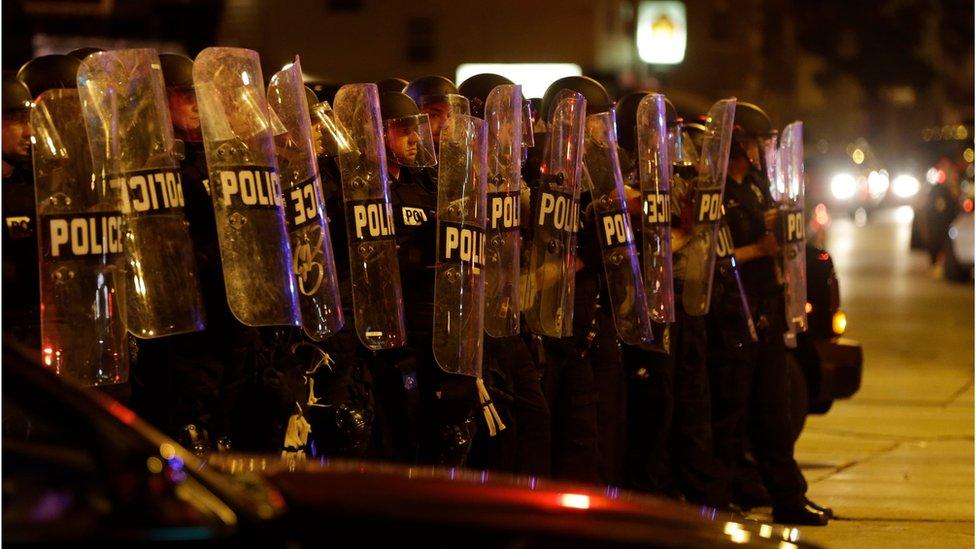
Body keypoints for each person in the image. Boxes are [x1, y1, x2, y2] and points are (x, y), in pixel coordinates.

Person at [723, 120, 831, 525]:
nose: (758, 149)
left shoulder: (754, 185)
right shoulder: (715, 191)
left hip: (767, 307)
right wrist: (758, 247)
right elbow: (712, 256)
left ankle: (788, 496)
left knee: (774, 410)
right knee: (731, 410)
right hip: (737, 311)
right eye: (752, 140)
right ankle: (720, 496)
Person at [1, 73, 38, 349]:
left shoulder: (35, 181)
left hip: (37, 328)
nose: (29, 132)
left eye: (29, 120)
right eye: (16, 121)